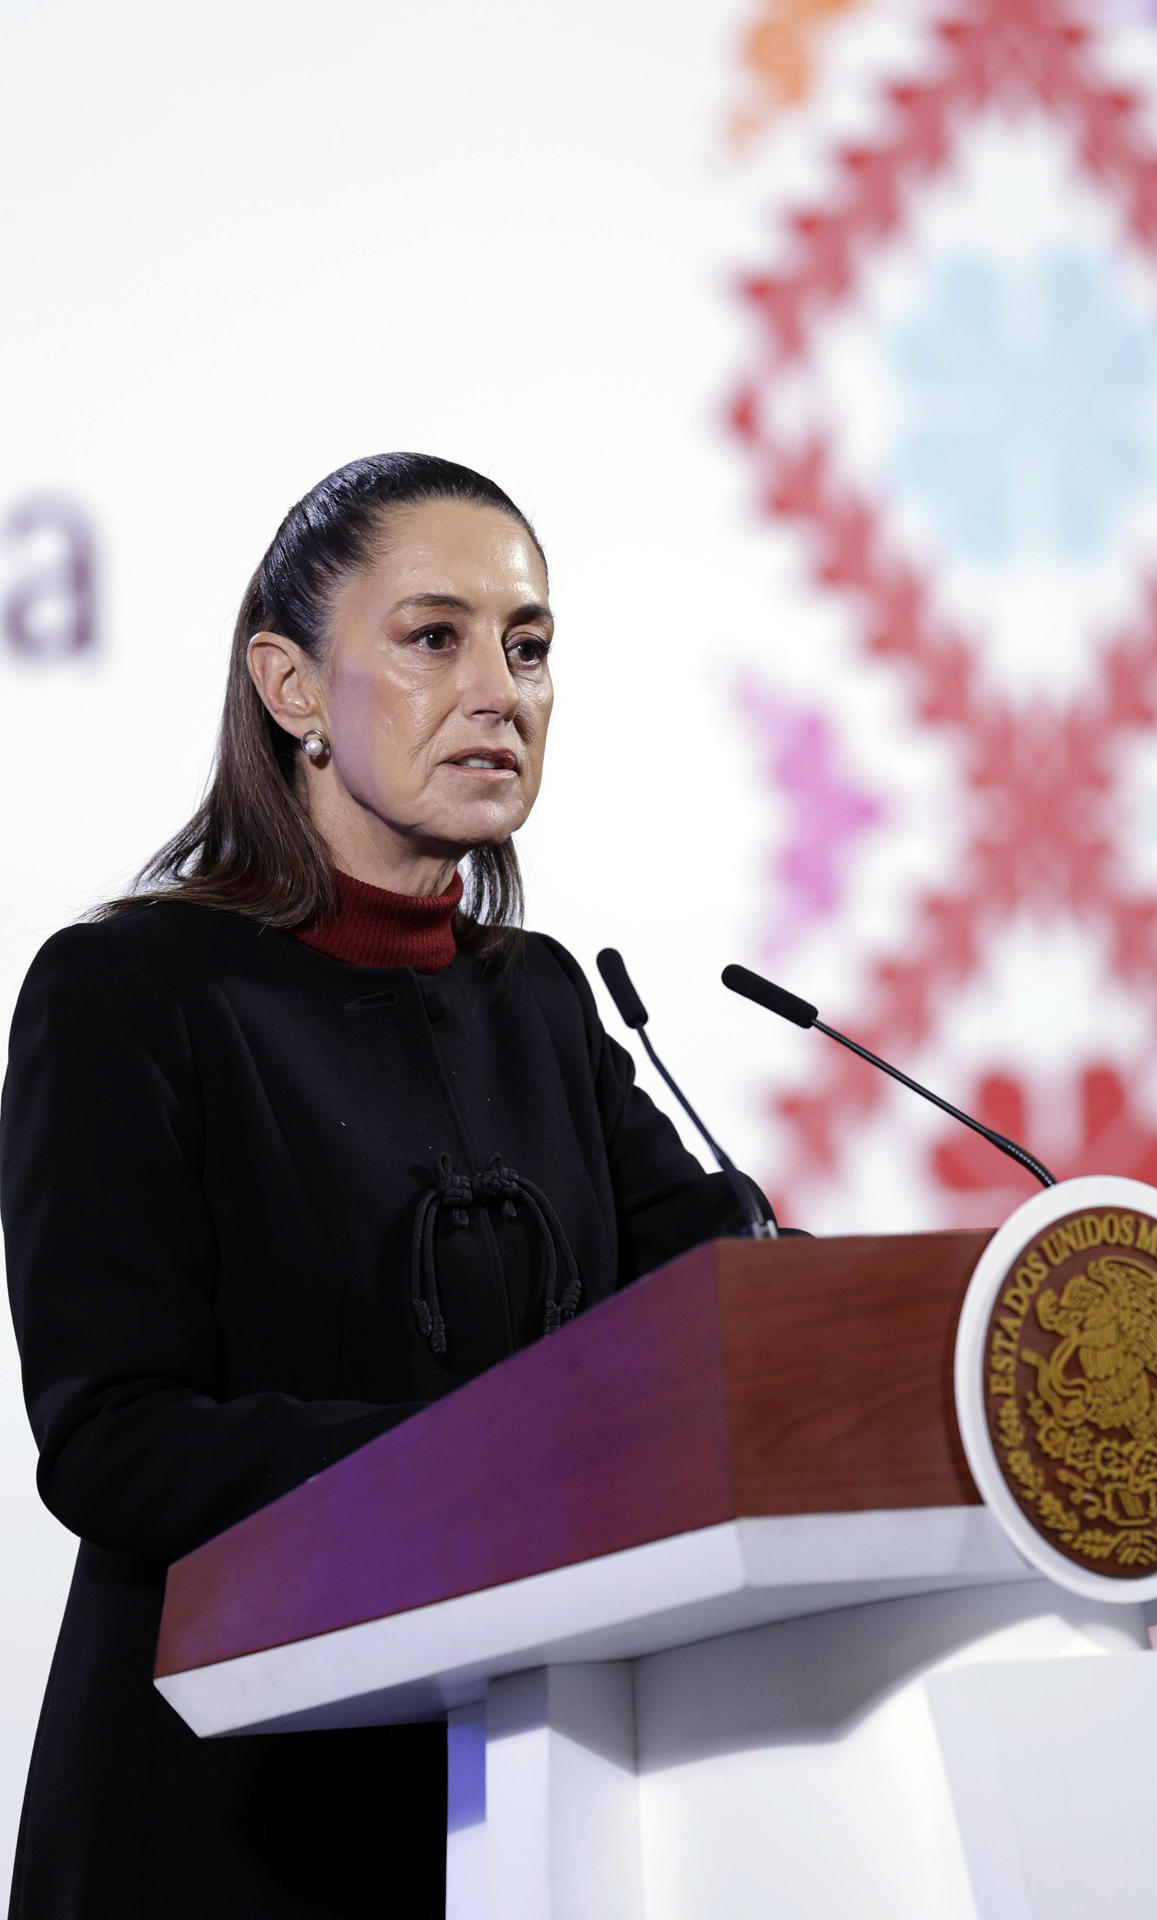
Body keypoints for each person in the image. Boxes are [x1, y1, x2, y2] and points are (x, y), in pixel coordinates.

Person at [1, 453, 776, 1918]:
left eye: (529, 646)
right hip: (231, 1823)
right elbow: (113, 1439)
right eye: (435, 639)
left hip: (533, 1807)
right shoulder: (130, 993)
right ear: (291, 687)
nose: (501, 691)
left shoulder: (539, 1000)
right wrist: (479, 1464)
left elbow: (722, 1309)